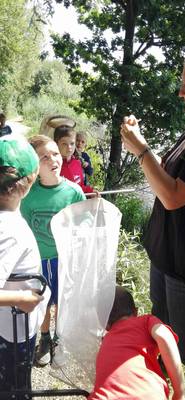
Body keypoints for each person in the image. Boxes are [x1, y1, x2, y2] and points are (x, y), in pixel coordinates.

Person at [120, 38, 185, 400]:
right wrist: (144, 149)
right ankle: (166, 390)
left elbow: (173, 195)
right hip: (165, 253)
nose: (181, 91)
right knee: (163, 331)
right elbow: (165, 173)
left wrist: (140, 148)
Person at [20, 134, 86, 367]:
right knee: (43, 303)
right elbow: (24, 229)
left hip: (63, 259)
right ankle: (45, 339)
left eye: (55, 154)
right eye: (44, 157)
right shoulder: (28, 195)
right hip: (38, 261)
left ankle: (59, 339)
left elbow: (80, 226)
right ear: (34, 164)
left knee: (63, 301)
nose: (52, 160)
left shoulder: (74, 192)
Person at [0, 135, 46, 399]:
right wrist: (22, 298)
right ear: (28, 184)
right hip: (11, 333)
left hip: (9, 328)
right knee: (15, 390)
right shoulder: (9, 230)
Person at [88, 286, 185, 400]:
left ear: (105, 324)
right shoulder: (145, 321)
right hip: (147, 394)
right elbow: (164, 336)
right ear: (136, 311)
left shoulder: (105, 341)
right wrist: (180, 393)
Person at [54, 126, 95, 194]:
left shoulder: (78, 163)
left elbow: (79, 187)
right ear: (56, 144)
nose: (69, 147)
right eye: (64, 144)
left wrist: (91, 192)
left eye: (72, 143)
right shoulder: (53, 165)